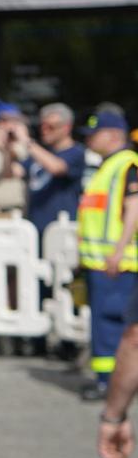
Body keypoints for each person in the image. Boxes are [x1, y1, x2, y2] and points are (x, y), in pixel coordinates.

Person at [72, 108, 138, 400]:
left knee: (111, 324)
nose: (88, 140)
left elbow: (134, 208)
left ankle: (111, 385)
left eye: (93, 134)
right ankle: (107, 381)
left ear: (113, 135)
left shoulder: (126, 164)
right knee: (104, 323)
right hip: (103, 262)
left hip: (116, 264)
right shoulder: (108, 165)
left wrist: (118, 251)